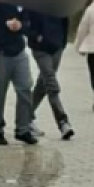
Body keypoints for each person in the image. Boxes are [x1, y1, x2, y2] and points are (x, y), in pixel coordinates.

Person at [0, 0, 38, 145]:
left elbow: (29, 24)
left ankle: (23, 129)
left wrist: (20, 26)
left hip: (19, 51)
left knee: (25, 88)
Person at [26, 9, 75, 140]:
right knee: (50, 82)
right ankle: (63, 122)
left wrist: (62, 42)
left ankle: (25, 115)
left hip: (56, 47)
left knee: (43, 84)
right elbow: (25, 24)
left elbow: (65, 23)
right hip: (40, 49)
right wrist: (36, 36)